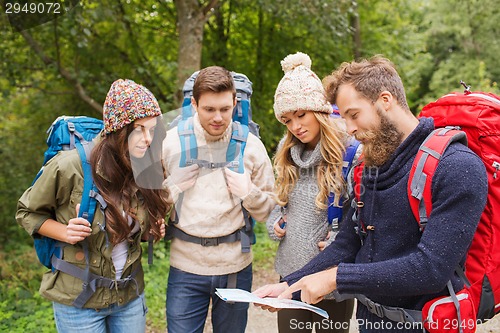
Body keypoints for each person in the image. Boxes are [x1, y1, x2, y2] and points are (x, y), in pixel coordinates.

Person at [254, 56, 488, 333]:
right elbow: (347, 244)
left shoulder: (456, 166)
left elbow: (431, 269)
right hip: (371, 322)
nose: (349, 128)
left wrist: (335, 279)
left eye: (354, 114)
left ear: (385, 100)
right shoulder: (370, 165)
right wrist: (290, 283)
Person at [16, 79, 171, 333]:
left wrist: (151, 230)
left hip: (129, 296)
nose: (147, 139)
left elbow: (133, 231)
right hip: (80, 302)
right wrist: (64, 231)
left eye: (152, 130)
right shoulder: (69, 167)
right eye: (139, 129)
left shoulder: (144, 164)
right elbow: (26, 212)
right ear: (117, 130)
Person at [162, 65, 275, 333]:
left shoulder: (251, 145)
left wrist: (249, 193)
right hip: (185, 268)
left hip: (235, 267)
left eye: (225, 109)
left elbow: (270, 209)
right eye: (209, 109)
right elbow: (146, 206)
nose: (218, 117)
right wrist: (172, 187)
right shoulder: (170, 144)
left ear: (235, 103)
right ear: (194, 104)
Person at [266, 52, 355, 333]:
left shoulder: (349, 152)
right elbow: (278, 203)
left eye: (302, 115)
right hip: (290, 275)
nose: (296, 126)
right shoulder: (287, 152)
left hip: (332, 276)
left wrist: (339, 240)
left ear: (319, 111)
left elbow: (362, 215)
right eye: (288, 120)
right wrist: (275, 222)